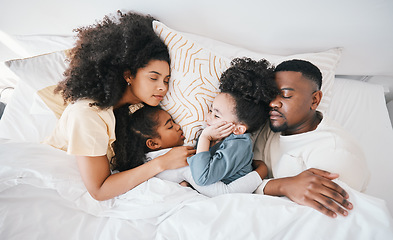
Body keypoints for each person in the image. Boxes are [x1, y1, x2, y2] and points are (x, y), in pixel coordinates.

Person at [43, 11, 195, 201]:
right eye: (153, 78)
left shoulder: (129, 109)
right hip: (55, 183)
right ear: (128, 75)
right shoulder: (87, 114)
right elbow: (99, 190)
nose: (162, 87)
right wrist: (162, 163)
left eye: (166, 80)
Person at [253, 59, 370, 218]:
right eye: (271, 95)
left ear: (315, 100)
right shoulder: (271, 126)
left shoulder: (336, 152)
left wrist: (273, 186)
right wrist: (283, 186)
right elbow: (244, 181)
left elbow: (320, 221)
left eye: (286, 95)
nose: (273, 103)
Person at [113, 105, 265, 197]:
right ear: (153, 143)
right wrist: (261, 171)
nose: (178, 126)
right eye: (170, 126)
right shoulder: (181, 161)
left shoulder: (145, 161)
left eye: (173, 121)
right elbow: (225, 193)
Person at [187, 57, 278, 186]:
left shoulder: (239, 145)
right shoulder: (219, 137)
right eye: (210, 110)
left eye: (217, 116)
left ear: (238, 129)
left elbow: (202, 178)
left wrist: (205, 138)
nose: (209, 116)